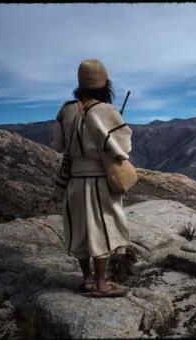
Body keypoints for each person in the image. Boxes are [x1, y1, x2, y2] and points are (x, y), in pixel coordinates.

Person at [51, 59, 132, 298]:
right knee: (102, 228)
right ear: (105, 84)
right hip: (99, 180)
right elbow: (122, 147)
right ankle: (101, 284)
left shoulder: (66, 109)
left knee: (80, 229)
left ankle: (86, 279)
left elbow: (58, 145)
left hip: (74, 180)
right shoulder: (107, 111)